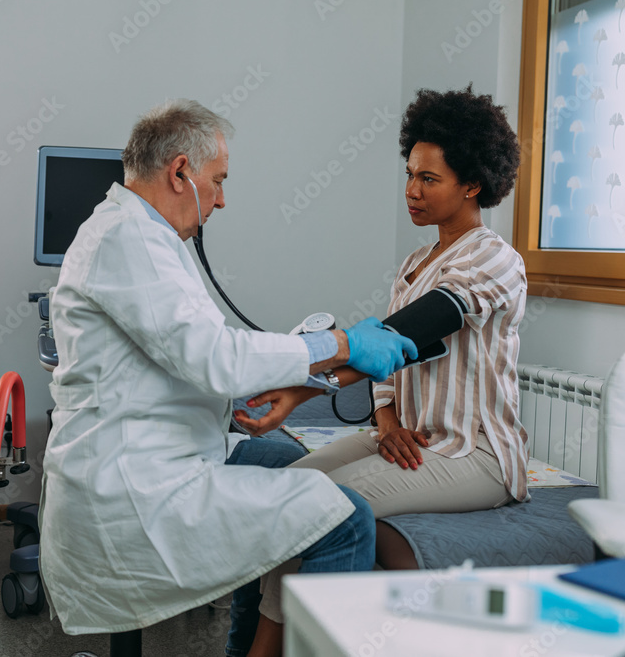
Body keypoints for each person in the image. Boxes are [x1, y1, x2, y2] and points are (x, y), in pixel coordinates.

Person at [36, 99, 418, 657]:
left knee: (297, 467)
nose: (221, 198)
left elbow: (185, 354)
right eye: (217, 181)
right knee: (347, 518)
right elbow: (214, 356)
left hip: (167, 450)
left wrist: (271, 390)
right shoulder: (129, 240)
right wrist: (339, 345)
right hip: (136, 487)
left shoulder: (146, 234)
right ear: (180, 172)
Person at [235, 85, 528, 627]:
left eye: (429, 179)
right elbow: (389, 364)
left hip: (476, 454)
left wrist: (299, 390)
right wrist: (387, 422)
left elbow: (423, 326)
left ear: (472, 185)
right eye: (410, 175)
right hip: (411, 440)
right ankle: (258, 633)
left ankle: (262, 648)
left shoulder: (496, 259)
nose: (412, 190)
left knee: (316, 503)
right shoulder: (415, 264)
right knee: (284, 491)